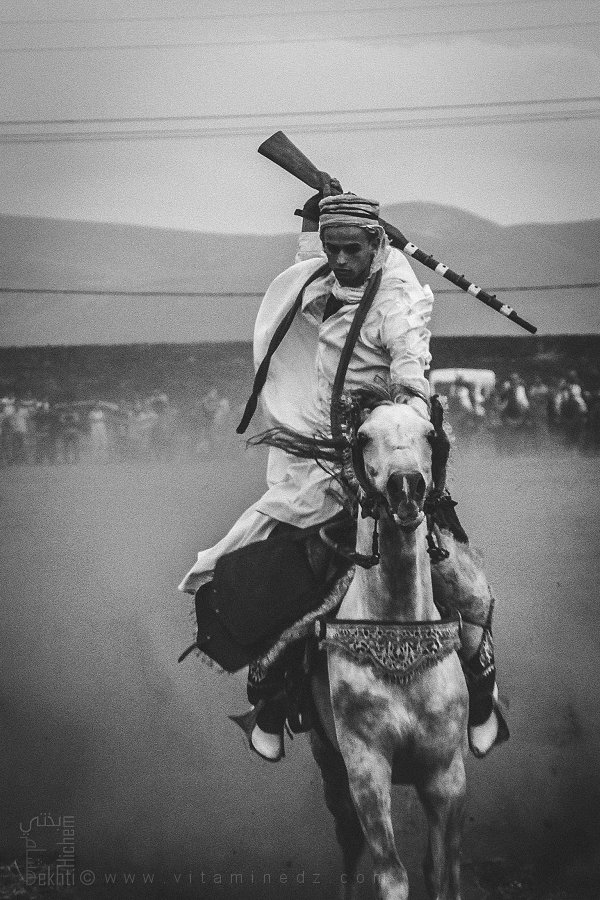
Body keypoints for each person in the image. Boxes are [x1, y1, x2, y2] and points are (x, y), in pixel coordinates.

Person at [179, 185, 507, 763]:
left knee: (464, 586)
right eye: (333, 249)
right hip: (322, 462)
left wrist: (399, 420)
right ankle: (273, 701)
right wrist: (318, 208)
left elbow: (410, 368)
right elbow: (307, 255)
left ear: (376, 245)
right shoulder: (321, 281)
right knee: (285, 574)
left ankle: (481, 697)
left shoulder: (396, 299)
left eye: (352, 249)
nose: (340, 260)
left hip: (391, 457)